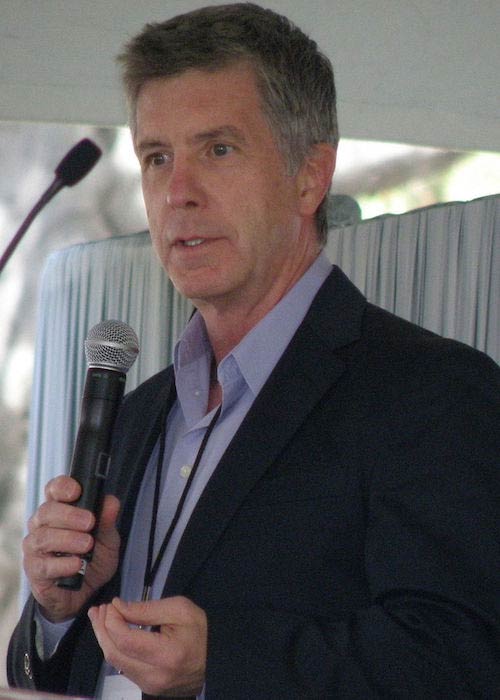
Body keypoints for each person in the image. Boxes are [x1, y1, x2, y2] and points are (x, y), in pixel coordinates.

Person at [7, 3, 500, 698]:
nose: (177, 194)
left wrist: (224, 662)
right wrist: (57, 612)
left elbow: (462, 659)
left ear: (309, 176)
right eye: (156, 158)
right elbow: (61, 673)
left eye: (218, 150)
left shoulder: (432, 392)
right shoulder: (138, 411)